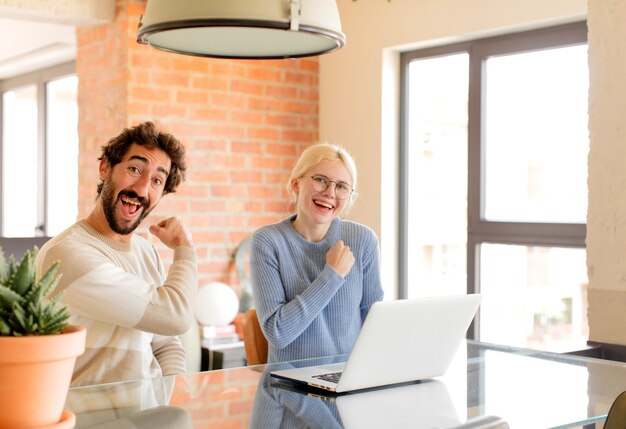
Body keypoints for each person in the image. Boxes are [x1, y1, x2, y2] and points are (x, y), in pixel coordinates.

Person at [36, 121, 197, 387]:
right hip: (90, 419)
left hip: (146, 416)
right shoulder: (67, 254)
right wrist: (185, 249)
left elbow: (167, 344)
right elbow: (175, 316)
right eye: (135, 169)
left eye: (157, 180)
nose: (143, 188)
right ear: (105, 168)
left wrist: (168, 406)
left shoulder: (146, 251)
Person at [250, 143, 384, 363]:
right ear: (296, 185)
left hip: (347, 382)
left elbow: (374, 324)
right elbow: (278, 333)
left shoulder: (363, 240)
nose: (330, 192)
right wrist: (332, 275)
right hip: (289, 390)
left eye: (341, 186)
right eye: (320, 180)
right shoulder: (267, 241)